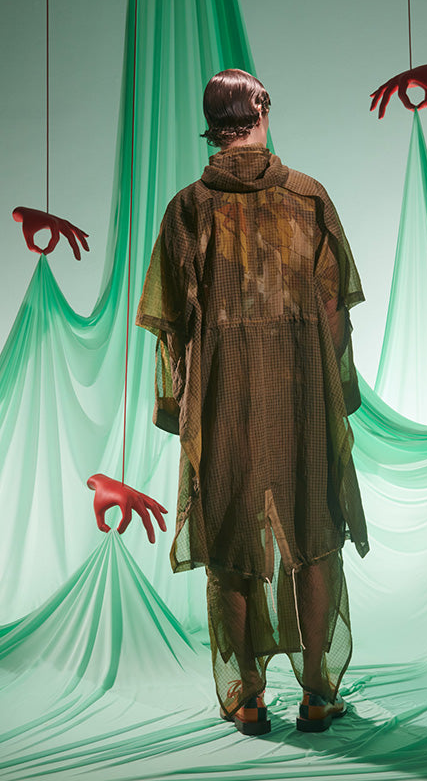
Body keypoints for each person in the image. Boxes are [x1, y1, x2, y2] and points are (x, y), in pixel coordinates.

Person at [136, 69, 369, 735]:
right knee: (315, 537)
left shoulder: (186, 209)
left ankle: (247, 699)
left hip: (223, 401)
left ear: (213, 124)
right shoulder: (309, 197)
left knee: (231, 545)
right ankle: (318, 693)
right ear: (262, 113)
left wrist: (180, 407)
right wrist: (333, 392)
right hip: (302, 396)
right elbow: (335, 310)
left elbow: (169, 325)